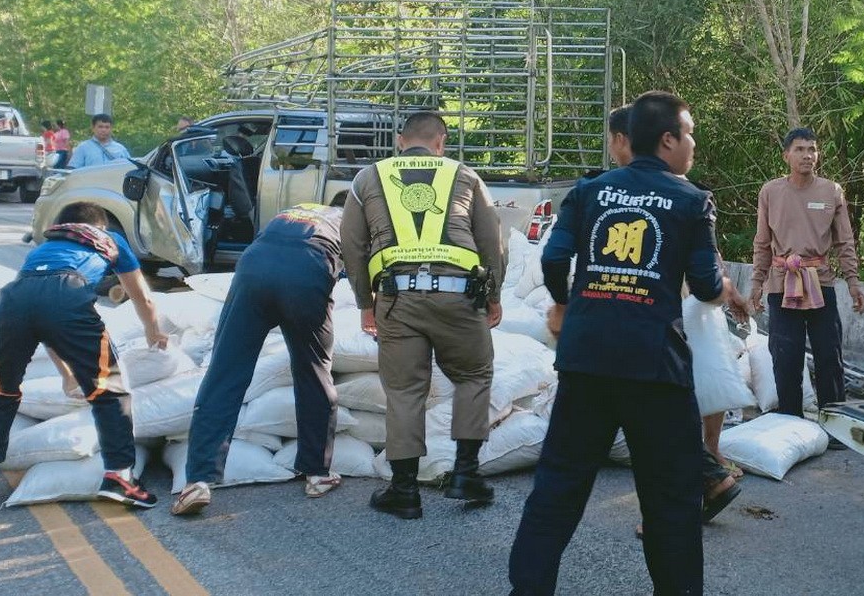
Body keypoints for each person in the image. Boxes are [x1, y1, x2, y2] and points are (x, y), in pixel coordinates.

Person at [508, 91, 747, 596]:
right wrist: (720, 283)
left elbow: (554, 259)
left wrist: (566, 303)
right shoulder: (691, 200)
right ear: (667, 140)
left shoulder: (590, 190)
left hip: (586, 357)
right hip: (654, 365)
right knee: (671, 499)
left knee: (559, 487)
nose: (693, 144)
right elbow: (705, 285)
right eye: (690, 134)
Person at [341, 111, 504, 520]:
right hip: (460, 299)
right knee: (472, 376)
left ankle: (405, 491)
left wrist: (365, 303)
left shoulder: (367, 178)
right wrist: (494, 296)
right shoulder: (465, 175)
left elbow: (353, 246)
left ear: (400, 140)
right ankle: (466, 473)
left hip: (397, 299)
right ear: (441, 142)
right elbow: (491, 240)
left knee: (405, 391)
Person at [0, 201, 169, 507]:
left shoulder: (43, 249)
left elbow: (42, 320)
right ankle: (120, 477)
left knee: (1, 388)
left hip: (14, 299)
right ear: (99, 226)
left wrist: (66, 373)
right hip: (68, 295)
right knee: (108, 389)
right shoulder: (110, 239)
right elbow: (142, 297)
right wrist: (154, 331)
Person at [603, 106, 743, 540]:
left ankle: (694, 485)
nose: (613, 149)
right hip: (677, 320)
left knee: (654, 420)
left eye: (614, 139)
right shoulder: (678, 192)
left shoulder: (655, 195)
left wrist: (723, 295)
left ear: (627, 140)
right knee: (668, 415)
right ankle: (709, 476)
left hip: (666, 321)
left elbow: (706, 268)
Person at [172, 202, 345, 516]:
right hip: (308, 270)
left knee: (226, 374)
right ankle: (318, 473)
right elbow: (362, 274)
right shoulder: (352, 220)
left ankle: (197, 480)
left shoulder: (296, 209)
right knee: (313, 370)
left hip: (254, 266)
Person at [749, 128, 864, 432]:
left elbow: (845, 241)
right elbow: (762, 243)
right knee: (786, 355)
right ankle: (790, 423)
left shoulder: (832, 191)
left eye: (812, 149)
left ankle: (835, 424)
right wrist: (756, 284)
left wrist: (853, 281)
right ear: (786, 155)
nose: (807, 155)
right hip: (781, 282)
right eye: (800, 149)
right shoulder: (770, 192)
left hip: (821, 282)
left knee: (829, 353)